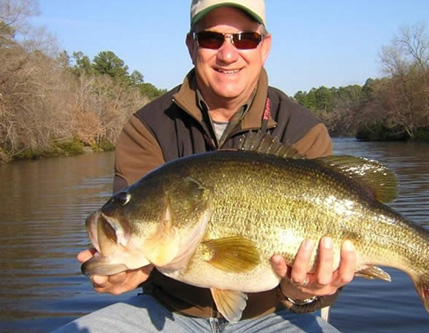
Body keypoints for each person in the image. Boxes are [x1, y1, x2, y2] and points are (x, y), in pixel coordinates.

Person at [56, 1, 354, 332]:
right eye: (212, 38)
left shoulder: (301, 129)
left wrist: (305, 294)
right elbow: (147, 247)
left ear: (264, 47)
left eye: (244, 39)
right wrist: (128, 271)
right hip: (167, 312)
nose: (228, 54)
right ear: (191, 45)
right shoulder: (149, 126)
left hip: (275, 315)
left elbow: (320, 283)